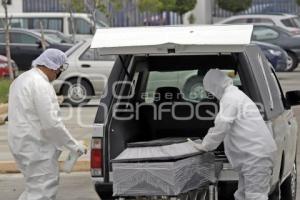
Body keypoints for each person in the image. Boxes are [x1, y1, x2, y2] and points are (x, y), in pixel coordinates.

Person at [8, 49, 86, 200]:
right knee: (42, 192)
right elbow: (51, 123)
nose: (58, 75)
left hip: (21, 144)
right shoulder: (41, 84)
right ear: (52, 66)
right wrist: (73, 145)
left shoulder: (21, 79)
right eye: (59, 71)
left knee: (33, 189)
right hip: (37, 147)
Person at [189, 69, 277, 200]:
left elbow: (222, 124)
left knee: (255, 196)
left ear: (215, 86)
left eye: (210, 90)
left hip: (255, 156)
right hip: (252, 156)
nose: (210, 94)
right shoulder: (235, 95)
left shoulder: (230, 98)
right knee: (242, 195)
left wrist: (206, 145)